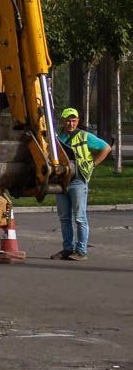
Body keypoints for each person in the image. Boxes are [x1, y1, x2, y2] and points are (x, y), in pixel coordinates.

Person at [53, 107, 111, 261]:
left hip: (78, 180)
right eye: (68, 120)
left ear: (78, 121)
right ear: (62, 121)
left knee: (79, 218)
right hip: (61, 181)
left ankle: (81, 251)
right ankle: (67, 249)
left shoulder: (85, 136)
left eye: (73, 120)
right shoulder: (57, 137)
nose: (71, 123)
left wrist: (93, 164)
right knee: (64, 218)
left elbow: (106, 148)